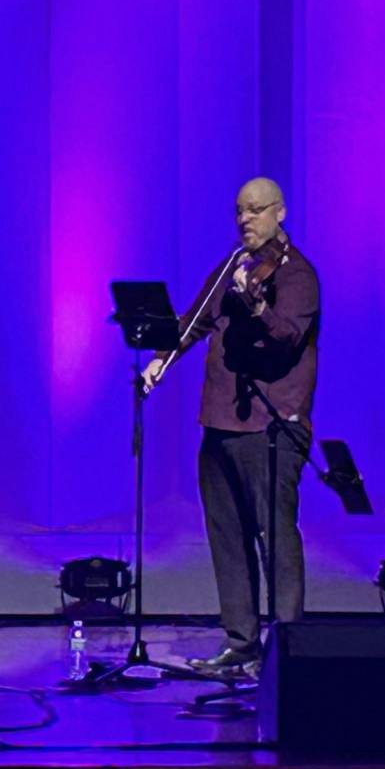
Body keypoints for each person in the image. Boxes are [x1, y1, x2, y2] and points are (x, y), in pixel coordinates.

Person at [141, 178, 320, 675]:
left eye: (257, 210)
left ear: (280, 212)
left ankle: (285, 650)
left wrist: (257, 306)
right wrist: (162, 359)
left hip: (271, 426)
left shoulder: (297, 275)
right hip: (220, 422)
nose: (246, 220)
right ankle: (242, 644)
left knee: (276, 536)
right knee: (227, 534)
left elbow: (287, 338)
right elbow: (194, 321)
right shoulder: (230, 268)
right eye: (240, 211)